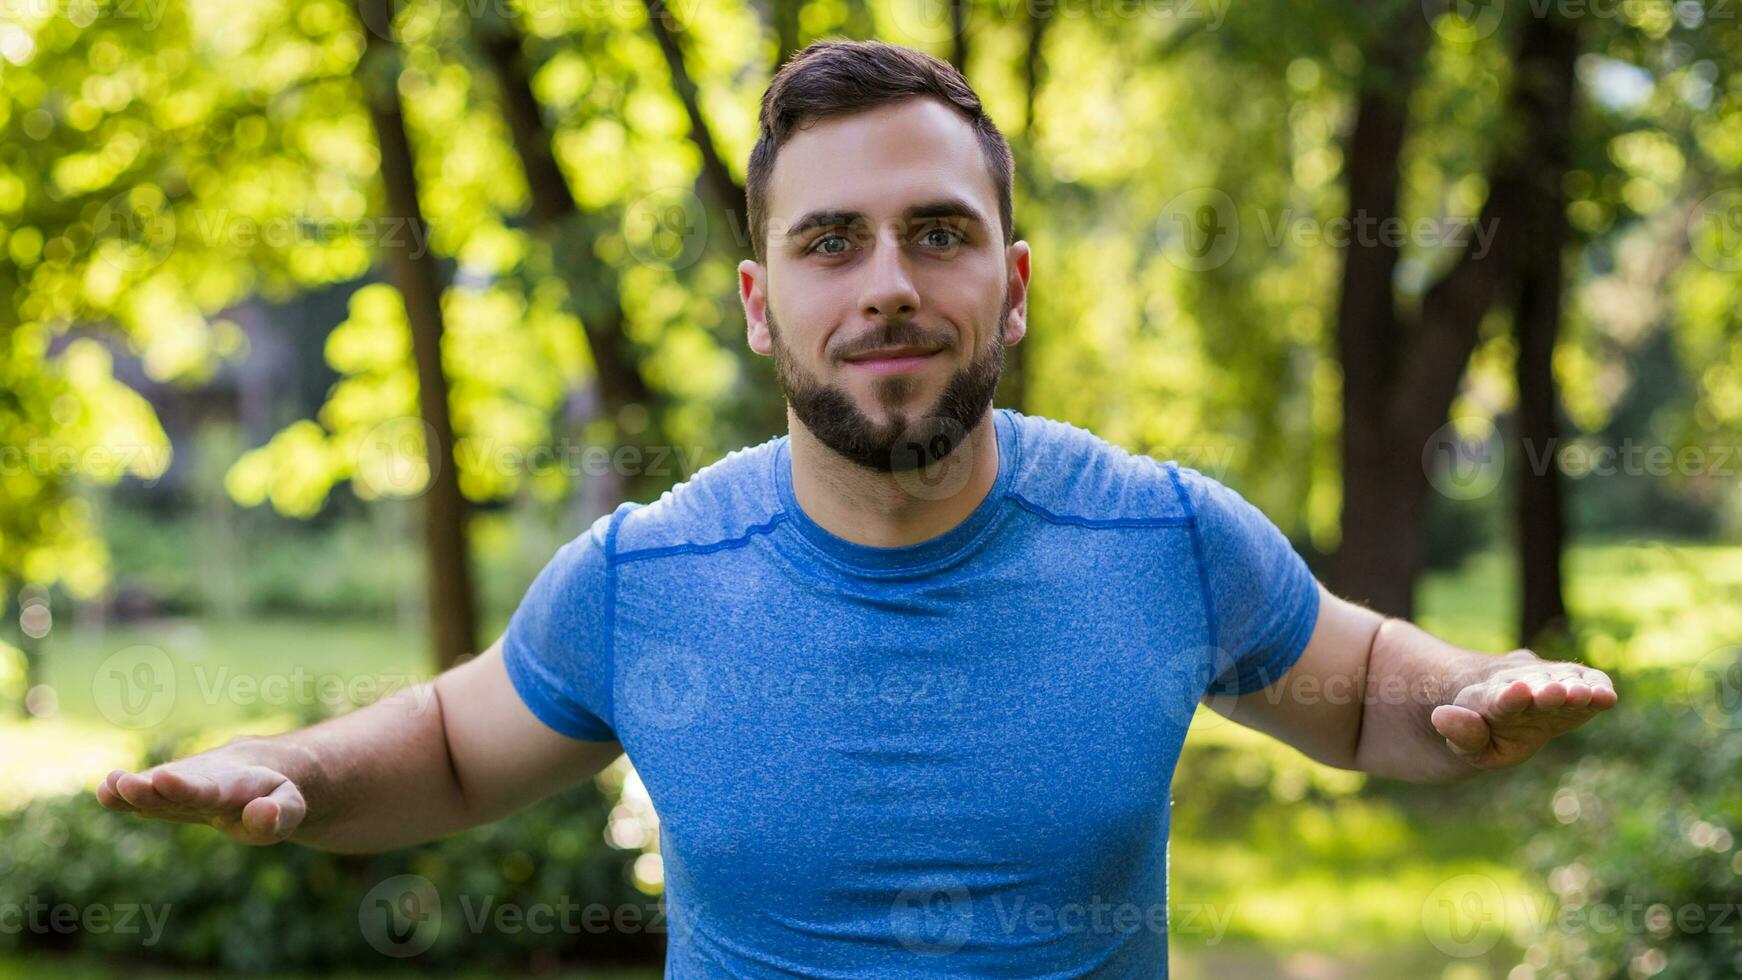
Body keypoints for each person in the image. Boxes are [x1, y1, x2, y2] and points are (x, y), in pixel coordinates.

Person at [98, 38, 1617, 976]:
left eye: (936, 233)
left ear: (1009, 287)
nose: (886, 283)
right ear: (761, 304)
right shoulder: (644, 576)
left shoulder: (1159, 538)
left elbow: (1359, 698)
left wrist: (1478, 693)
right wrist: (282, 763)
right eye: (831, 241)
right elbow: (445, 744)